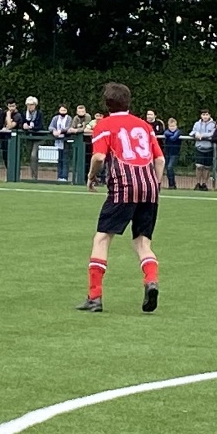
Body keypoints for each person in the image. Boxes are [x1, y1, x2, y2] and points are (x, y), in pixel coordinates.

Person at [76, 82, 164, 314]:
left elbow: (98, 157)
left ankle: (94, 297)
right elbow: (160, 160)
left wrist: (91, 177)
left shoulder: (104, 125)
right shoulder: (144, 126)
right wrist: (156, 184)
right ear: (128, 102)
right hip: (149, 187)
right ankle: (151, 281)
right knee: (142, 242)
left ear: (106, 104)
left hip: (123, 187)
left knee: (102, 238)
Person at [191, 109, 216, 191]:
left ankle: (204, 184)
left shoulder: (213, 124)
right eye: (203, 115)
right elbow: (192, 132)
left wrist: (202, 135)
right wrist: (196, 134)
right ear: (201, 116)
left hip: (209, 148)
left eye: (206, 115)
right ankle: (198, 183)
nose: (205, 116)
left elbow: (212, 134)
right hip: (199, 148)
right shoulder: (197, 124)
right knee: (199, 166)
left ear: (209, 115)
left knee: (207, 167)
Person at [49, 105, 74, 183]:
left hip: (66, 140)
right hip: (58, 141)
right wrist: (54, 131)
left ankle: (64, 177)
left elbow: (68, 127)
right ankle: (59, 176)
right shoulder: (55, 118)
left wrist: (61, 131)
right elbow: (50, 127)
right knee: (59, 159)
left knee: (65, 159)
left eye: (64, 110)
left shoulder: (69, 118)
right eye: (61, 110)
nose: (62, 112)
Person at [161, 117, 181, 189]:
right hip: (167, 153)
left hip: (174, 153)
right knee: (168, 168)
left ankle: (172, 184)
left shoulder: (178, 131)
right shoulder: (167, 132)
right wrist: (170, 135)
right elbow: (166, 133)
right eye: (170, 126)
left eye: (173, 126)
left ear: (176, 126)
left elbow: (174, 138)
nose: (172, 128)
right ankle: (171, 184)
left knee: (170, 167)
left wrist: (170, 136)